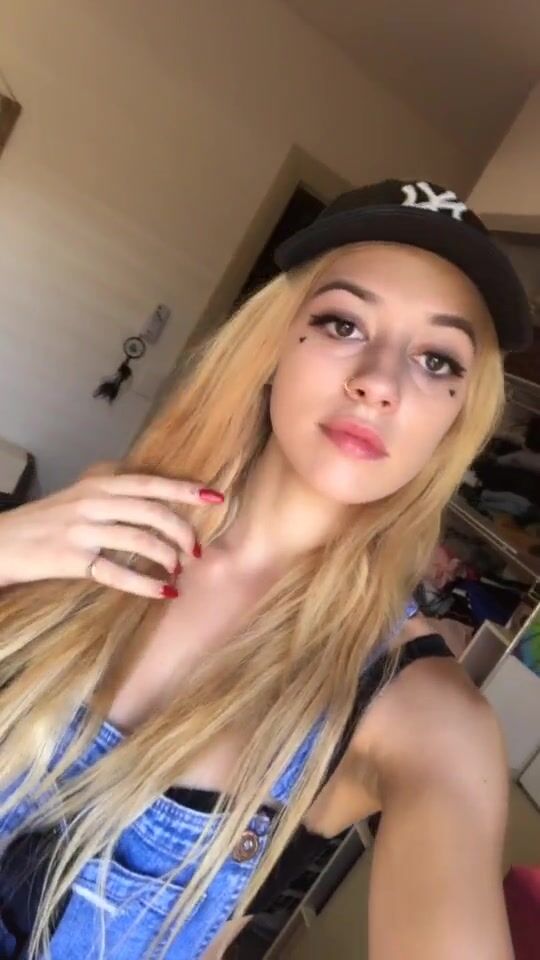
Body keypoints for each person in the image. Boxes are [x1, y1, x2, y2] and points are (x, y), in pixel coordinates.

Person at [0, 179, 532, 960]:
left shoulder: (421, 714)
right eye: (343, 323)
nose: (380, 383)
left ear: (457, 415)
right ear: (274, 342)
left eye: (435, 359)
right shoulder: (106, 510)